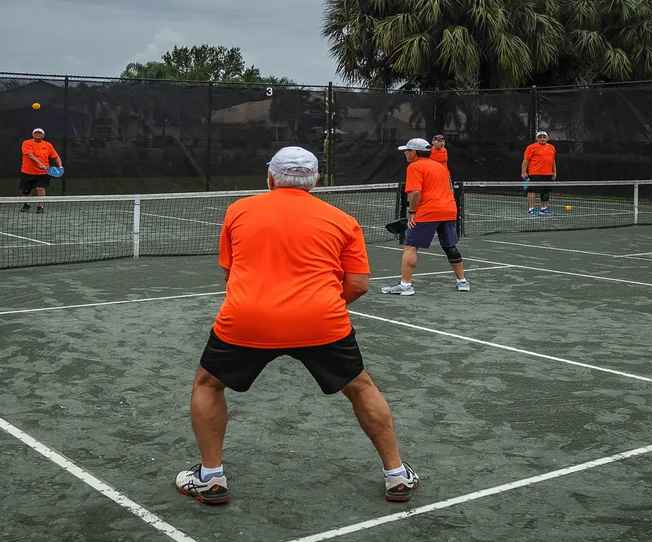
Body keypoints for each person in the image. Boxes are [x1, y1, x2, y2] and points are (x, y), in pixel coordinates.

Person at [175, 146, 419, 506]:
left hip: (248, 319)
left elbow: (230, 274)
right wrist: (322, 306)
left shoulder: (239, 210)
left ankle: (211, 477)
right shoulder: (341, 219)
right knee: (361, 387)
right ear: (315, 180)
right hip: (322, 322)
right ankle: (396, 474)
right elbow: (359, 284)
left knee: (208, 384)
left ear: (271, 177)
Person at [381, 138, 469, 296]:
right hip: (449, 210)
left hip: (427, 212)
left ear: (414, 152)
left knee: (410, 247)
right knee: (450, 247)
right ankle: (462, 281)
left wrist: (412, 212)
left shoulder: (414, 167)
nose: (405, 154)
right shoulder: (440, 167)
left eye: (407, 151)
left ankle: (406, 285)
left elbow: (415, 192)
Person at [20, 128, 62, 213]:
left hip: (43, 173)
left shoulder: (48, 145)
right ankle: (27, 204)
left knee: (40, 188)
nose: (38, 134)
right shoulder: (26, 143)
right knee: (26, 191)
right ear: (33, 134)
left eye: (40, 133)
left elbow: (56, 157)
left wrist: (60, 167)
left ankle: (40, 207)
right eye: (36, 133)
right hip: (28, 172)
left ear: (43, 135)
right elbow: (30, 155)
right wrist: (39, 163)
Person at [521, 130, 557, 216]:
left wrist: (554, 172)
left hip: (548, 174)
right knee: (532, 191)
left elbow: (553, 161)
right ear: (537, 138)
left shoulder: (552, 147)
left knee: (546, 191)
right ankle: (531, 209)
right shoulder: (531, 147)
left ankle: (544, 209)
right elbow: (526, 160)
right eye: (540, 137)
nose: (542, 138)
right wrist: (523, 172)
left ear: (547, 138)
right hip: (535, 173)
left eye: (544, 137)